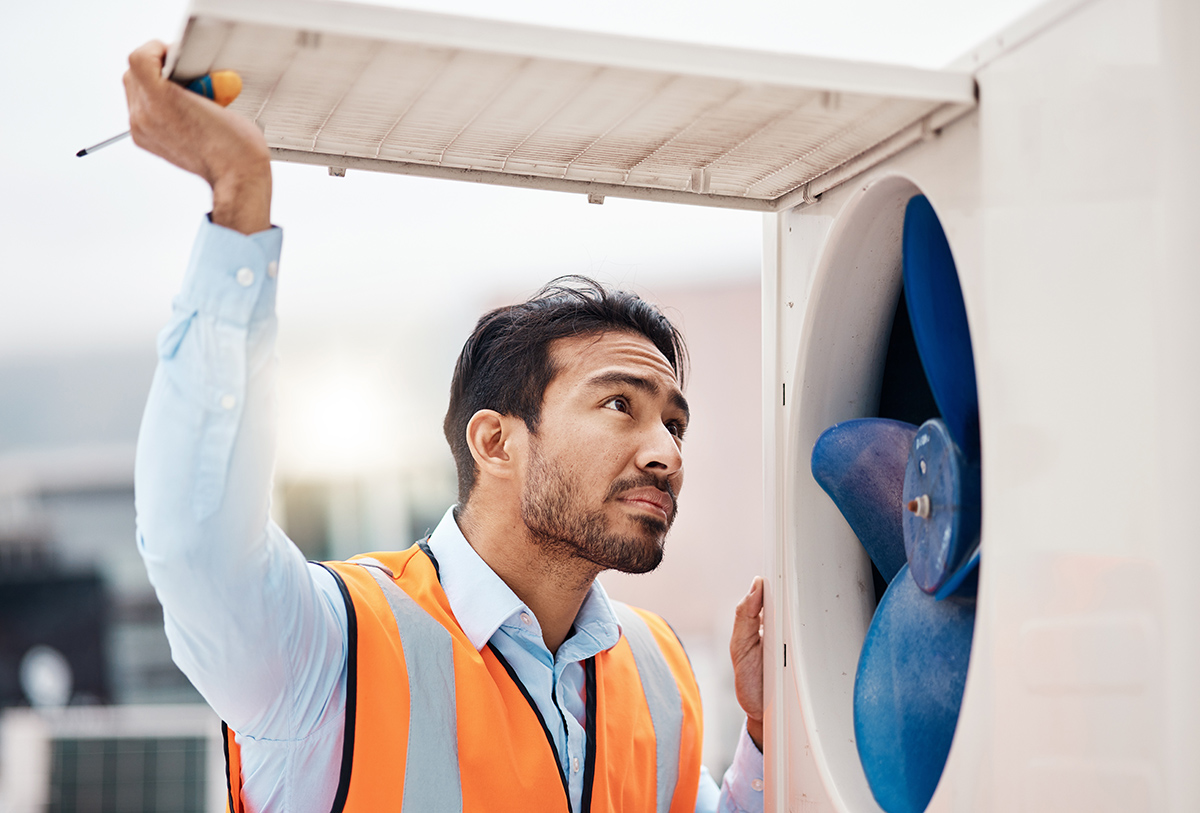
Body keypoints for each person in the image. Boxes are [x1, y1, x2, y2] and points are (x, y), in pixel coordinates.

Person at [126, 39, 765, 813]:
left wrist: (765, 733)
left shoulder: (661, 671)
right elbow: (197, 544)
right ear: (495, 441)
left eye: (675, 423)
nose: (665, 452)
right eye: (620, 404)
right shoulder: (332, 649)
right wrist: (239, 200)